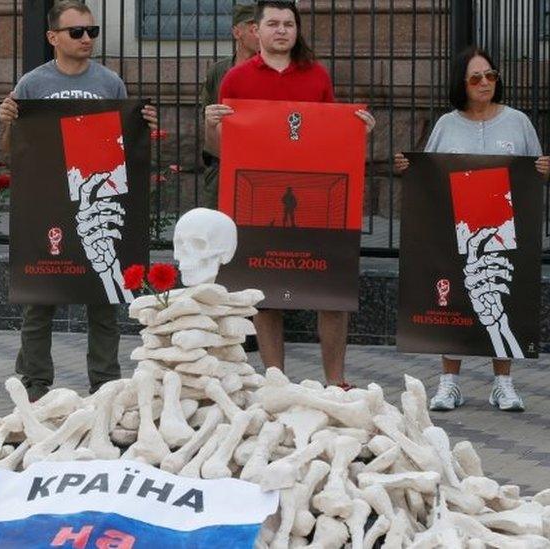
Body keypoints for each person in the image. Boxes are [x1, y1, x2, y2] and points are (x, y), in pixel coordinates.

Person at [204, 0, 376, 389]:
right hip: (257, 201)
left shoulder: (316, 75)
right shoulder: (235, 79)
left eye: (289, 24)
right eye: (273, 24)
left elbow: (329, 136)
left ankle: (337, 381)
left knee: (330, 292)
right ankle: (275, 380)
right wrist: (211, 126)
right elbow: (220, 150)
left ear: (297, 31)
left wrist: (357, 135)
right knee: (264, 296)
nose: (282, 30)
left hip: (314, 199)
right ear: (256, 31)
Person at [0, 0, 158, 401]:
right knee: (40, 296)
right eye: (77, 32)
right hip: (47, 199)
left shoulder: (110, 83)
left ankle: (104, 384)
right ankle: (34, 385)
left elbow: (124, 150)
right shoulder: (32, 84)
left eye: (92, 31)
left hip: (97, 192)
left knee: (104, 299)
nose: (87, 38)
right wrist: (7, 124)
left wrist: (144, 130)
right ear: (53, 37)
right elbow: (12, 151)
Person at [394, 47, 549, 412]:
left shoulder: (518, 122)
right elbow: (429, 172)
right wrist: (409, 168)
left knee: (503, 298)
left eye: (490, 75)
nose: (485, 83)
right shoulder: (447, 124)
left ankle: (504, 383)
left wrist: (544, 168)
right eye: (476, 77)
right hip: (455, 227)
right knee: (451, 300)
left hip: (502, 226)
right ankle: (449, 383)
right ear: (461, 84)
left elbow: (533, 176)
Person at [199, 2, 259, 197]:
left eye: (262, 26)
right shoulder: (218, 71)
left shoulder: (274, 71)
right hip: (222, 166)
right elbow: (207, 120)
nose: (259, 32)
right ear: (236, 32)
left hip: (261, 165)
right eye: (252, 27)